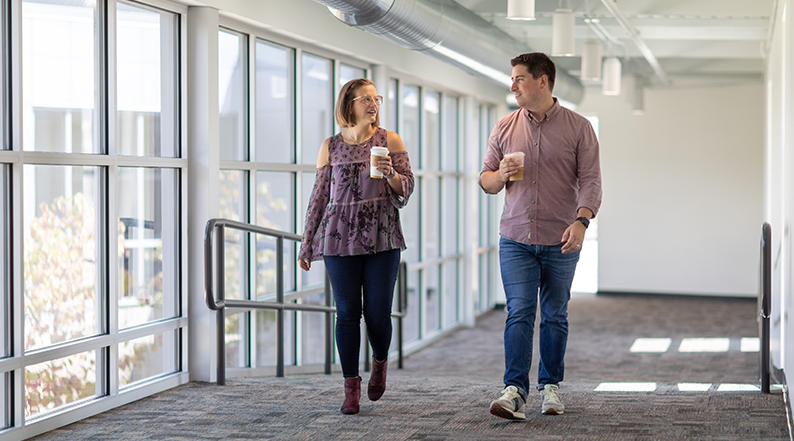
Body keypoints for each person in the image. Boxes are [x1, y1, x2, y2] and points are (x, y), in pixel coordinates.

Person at [479, 53, 602, 419]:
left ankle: (551, 386)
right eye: (513, 79)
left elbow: (592, 181)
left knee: (554, 315)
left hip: (561, 237)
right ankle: (514, 390)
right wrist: (500, 174)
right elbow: (485, 180)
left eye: (519, 78)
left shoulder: (579, 127)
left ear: (542, 81)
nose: (512, 85)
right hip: (515, 237)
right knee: (519, 311)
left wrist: (582, 222)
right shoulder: (503, 127)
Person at [298, 78, 414, 415]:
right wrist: (307, 244)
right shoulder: (330, 146)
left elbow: (407, 186)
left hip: (382, 235)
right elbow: (319, 198)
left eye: (375, 97)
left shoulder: (389, 140)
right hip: (338, 238)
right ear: (348, 104)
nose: (372, 103)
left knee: (377, 313)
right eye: (364, 98)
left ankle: (379, 362)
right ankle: (351, 387)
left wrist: (391, 173)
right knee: (347, 313)